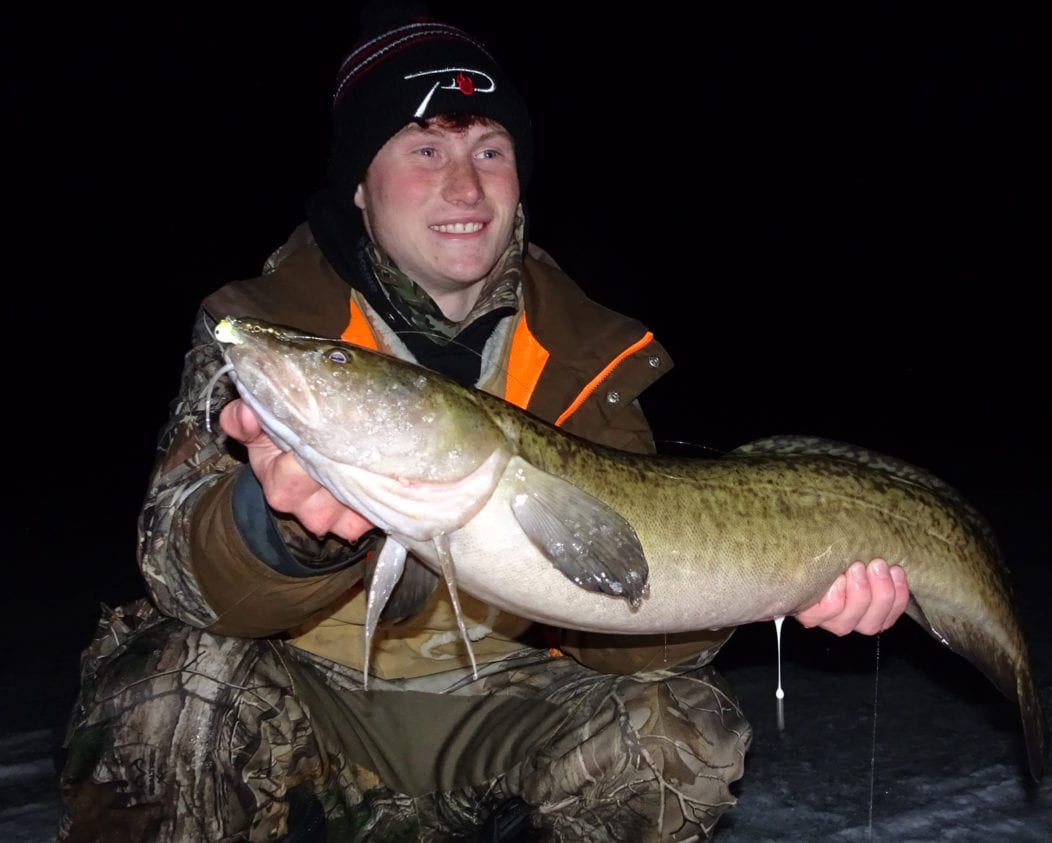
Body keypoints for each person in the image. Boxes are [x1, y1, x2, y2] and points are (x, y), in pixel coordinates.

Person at [57, 6, 909, 841]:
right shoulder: (260, 325)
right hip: (310, 719)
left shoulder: (593, 354)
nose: (463, 187)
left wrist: (773, 581)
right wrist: (276, 531)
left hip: (511, 723)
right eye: (425, 149)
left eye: (488, 151)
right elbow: (178, 571)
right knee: (163, 687)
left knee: (674, 724)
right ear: (360, 182)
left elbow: (632, 641)